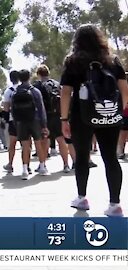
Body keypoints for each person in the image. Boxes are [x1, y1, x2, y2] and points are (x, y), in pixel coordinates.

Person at [60, 24, 128, 217]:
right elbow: (125, 89)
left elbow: (65, 92)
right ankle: (115, 204)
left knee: (82, 156)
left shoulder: (73, 62)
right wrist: (119, 111)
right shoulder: (112, 61)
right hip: (109, 114)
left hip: (81, 116)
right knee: (110, 157)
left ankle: (82, 198)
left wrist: (64, 119)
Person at [11, 69, 49, 180]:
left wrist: (16, 122)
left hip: (21, 122)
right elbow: (41, 109)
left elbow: (13, 110)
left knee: (25, 146)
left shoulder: (15, 92)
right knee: (38, 144)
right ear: (29, 77)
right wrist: (44, 125)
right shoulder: (35, 91)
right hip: (35, 120)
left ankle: (24, 170)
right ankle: (42, 167)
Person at [33, 65, 70, 173]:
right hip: (58, 116)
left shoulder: (37, 86)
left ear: (38, 74)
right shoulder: (56, 84)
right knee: (61, 140)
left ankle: (43, 165)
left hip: (45, 117)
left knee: (45, 141)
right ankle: (66, 165)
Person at [2, 70, 22, 174]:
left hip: (13, 120)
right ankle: (26, 166)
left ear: (10, 79)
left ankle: (10, 164)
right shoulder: (25, 89)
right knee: (26, 143)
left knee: (12, 144)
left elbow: (6, 108)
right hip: (25, 120)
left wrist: (5, 120)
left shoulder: (8, 91)